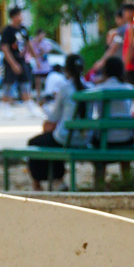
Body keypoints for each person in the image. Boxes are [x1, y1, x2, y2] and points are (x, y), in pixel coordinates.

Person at [25, 52, 86, 185]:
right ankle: (58, 180)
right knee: (52, 138)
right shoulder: (90, 87)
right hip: (85, 138)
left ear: (67, 70)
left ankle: (42, 183)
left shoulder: (65, 88)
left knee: (37, 141)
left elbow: (53, 118)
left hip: (65, 138)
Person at [0, 7, 31, 105]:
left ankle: (29, 106)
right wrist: (13, 64)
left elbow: (28, 43)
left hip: (21, 60)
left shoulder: (23, 29)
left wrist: (33, 57)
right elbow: (5, 49)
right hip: (10, 61)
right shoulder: (7, 30)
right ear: (14, 17)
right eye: (19, 15)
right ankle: (5, 107)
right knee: (9, 84)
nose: (21, 17)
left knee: (25, 83)